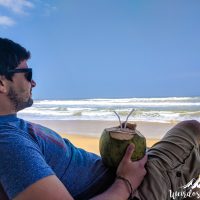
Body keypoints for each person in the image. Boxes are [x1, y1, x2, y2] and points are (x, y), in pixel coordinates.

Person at [0, 38, 199, 200]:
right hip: (132, 189)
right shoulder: (9, 142)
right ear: (2, 82)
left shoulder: (12, 130)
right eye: (27, 74)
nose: (33, 82)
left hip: (121, 178)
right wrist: (126, 182)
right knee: (191, 130)